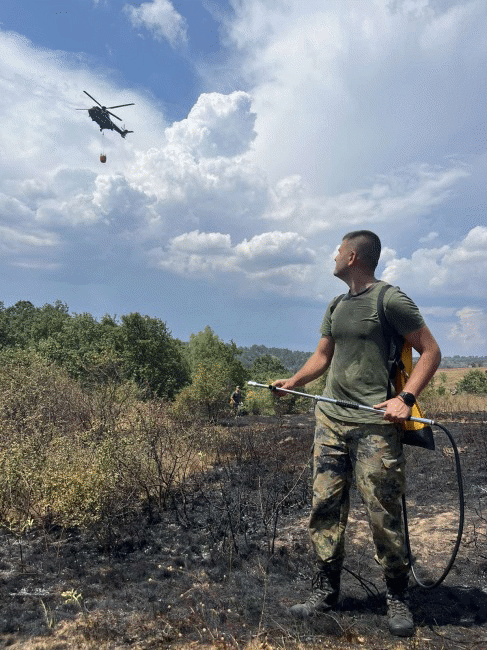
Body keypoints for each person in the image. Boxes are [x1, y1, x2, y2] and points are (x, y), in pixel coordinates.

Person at [273, 230, 441, 638]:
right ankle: (326, 591)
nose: (332, 256)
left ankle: (397, 596)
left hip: (375, 427)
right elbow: (323, 356)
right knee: (324, 508)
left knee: (383, 513)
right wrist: (295, 381)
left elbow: (432, 352)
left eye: (336, 251)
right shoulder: (336, 305)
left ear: (351, 256)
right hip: (330, 420)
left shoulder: (390, 300)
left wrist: (405, 397)